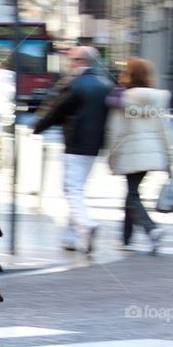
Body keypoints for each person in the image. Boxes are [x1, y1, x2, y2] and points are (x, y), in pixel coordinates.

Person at [32, 45, 112, 253]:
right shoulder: (105, 85)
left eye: (73, 59)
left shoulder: (75, 85)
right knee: (77, 187)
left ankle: (86, 225)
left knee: (72, 189)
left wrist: (38, 127)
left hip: (75, 144)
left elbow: (56, 111)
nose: (69, 64)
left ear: (81, 62)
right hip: (94, 146)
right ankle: (70, 236)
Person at [106, 57, 173, 254]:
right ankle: (126, 239)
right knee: (132, 194)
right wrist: (170, 158)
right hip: (152, 154)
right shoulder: (159, 99)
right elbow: (165, 130)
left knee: (133, 195)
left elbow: (116, 131)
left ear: (129, 74)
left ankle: (152, 229)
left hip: (130, 153)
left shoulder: (122, 98)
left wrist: (111, 156)